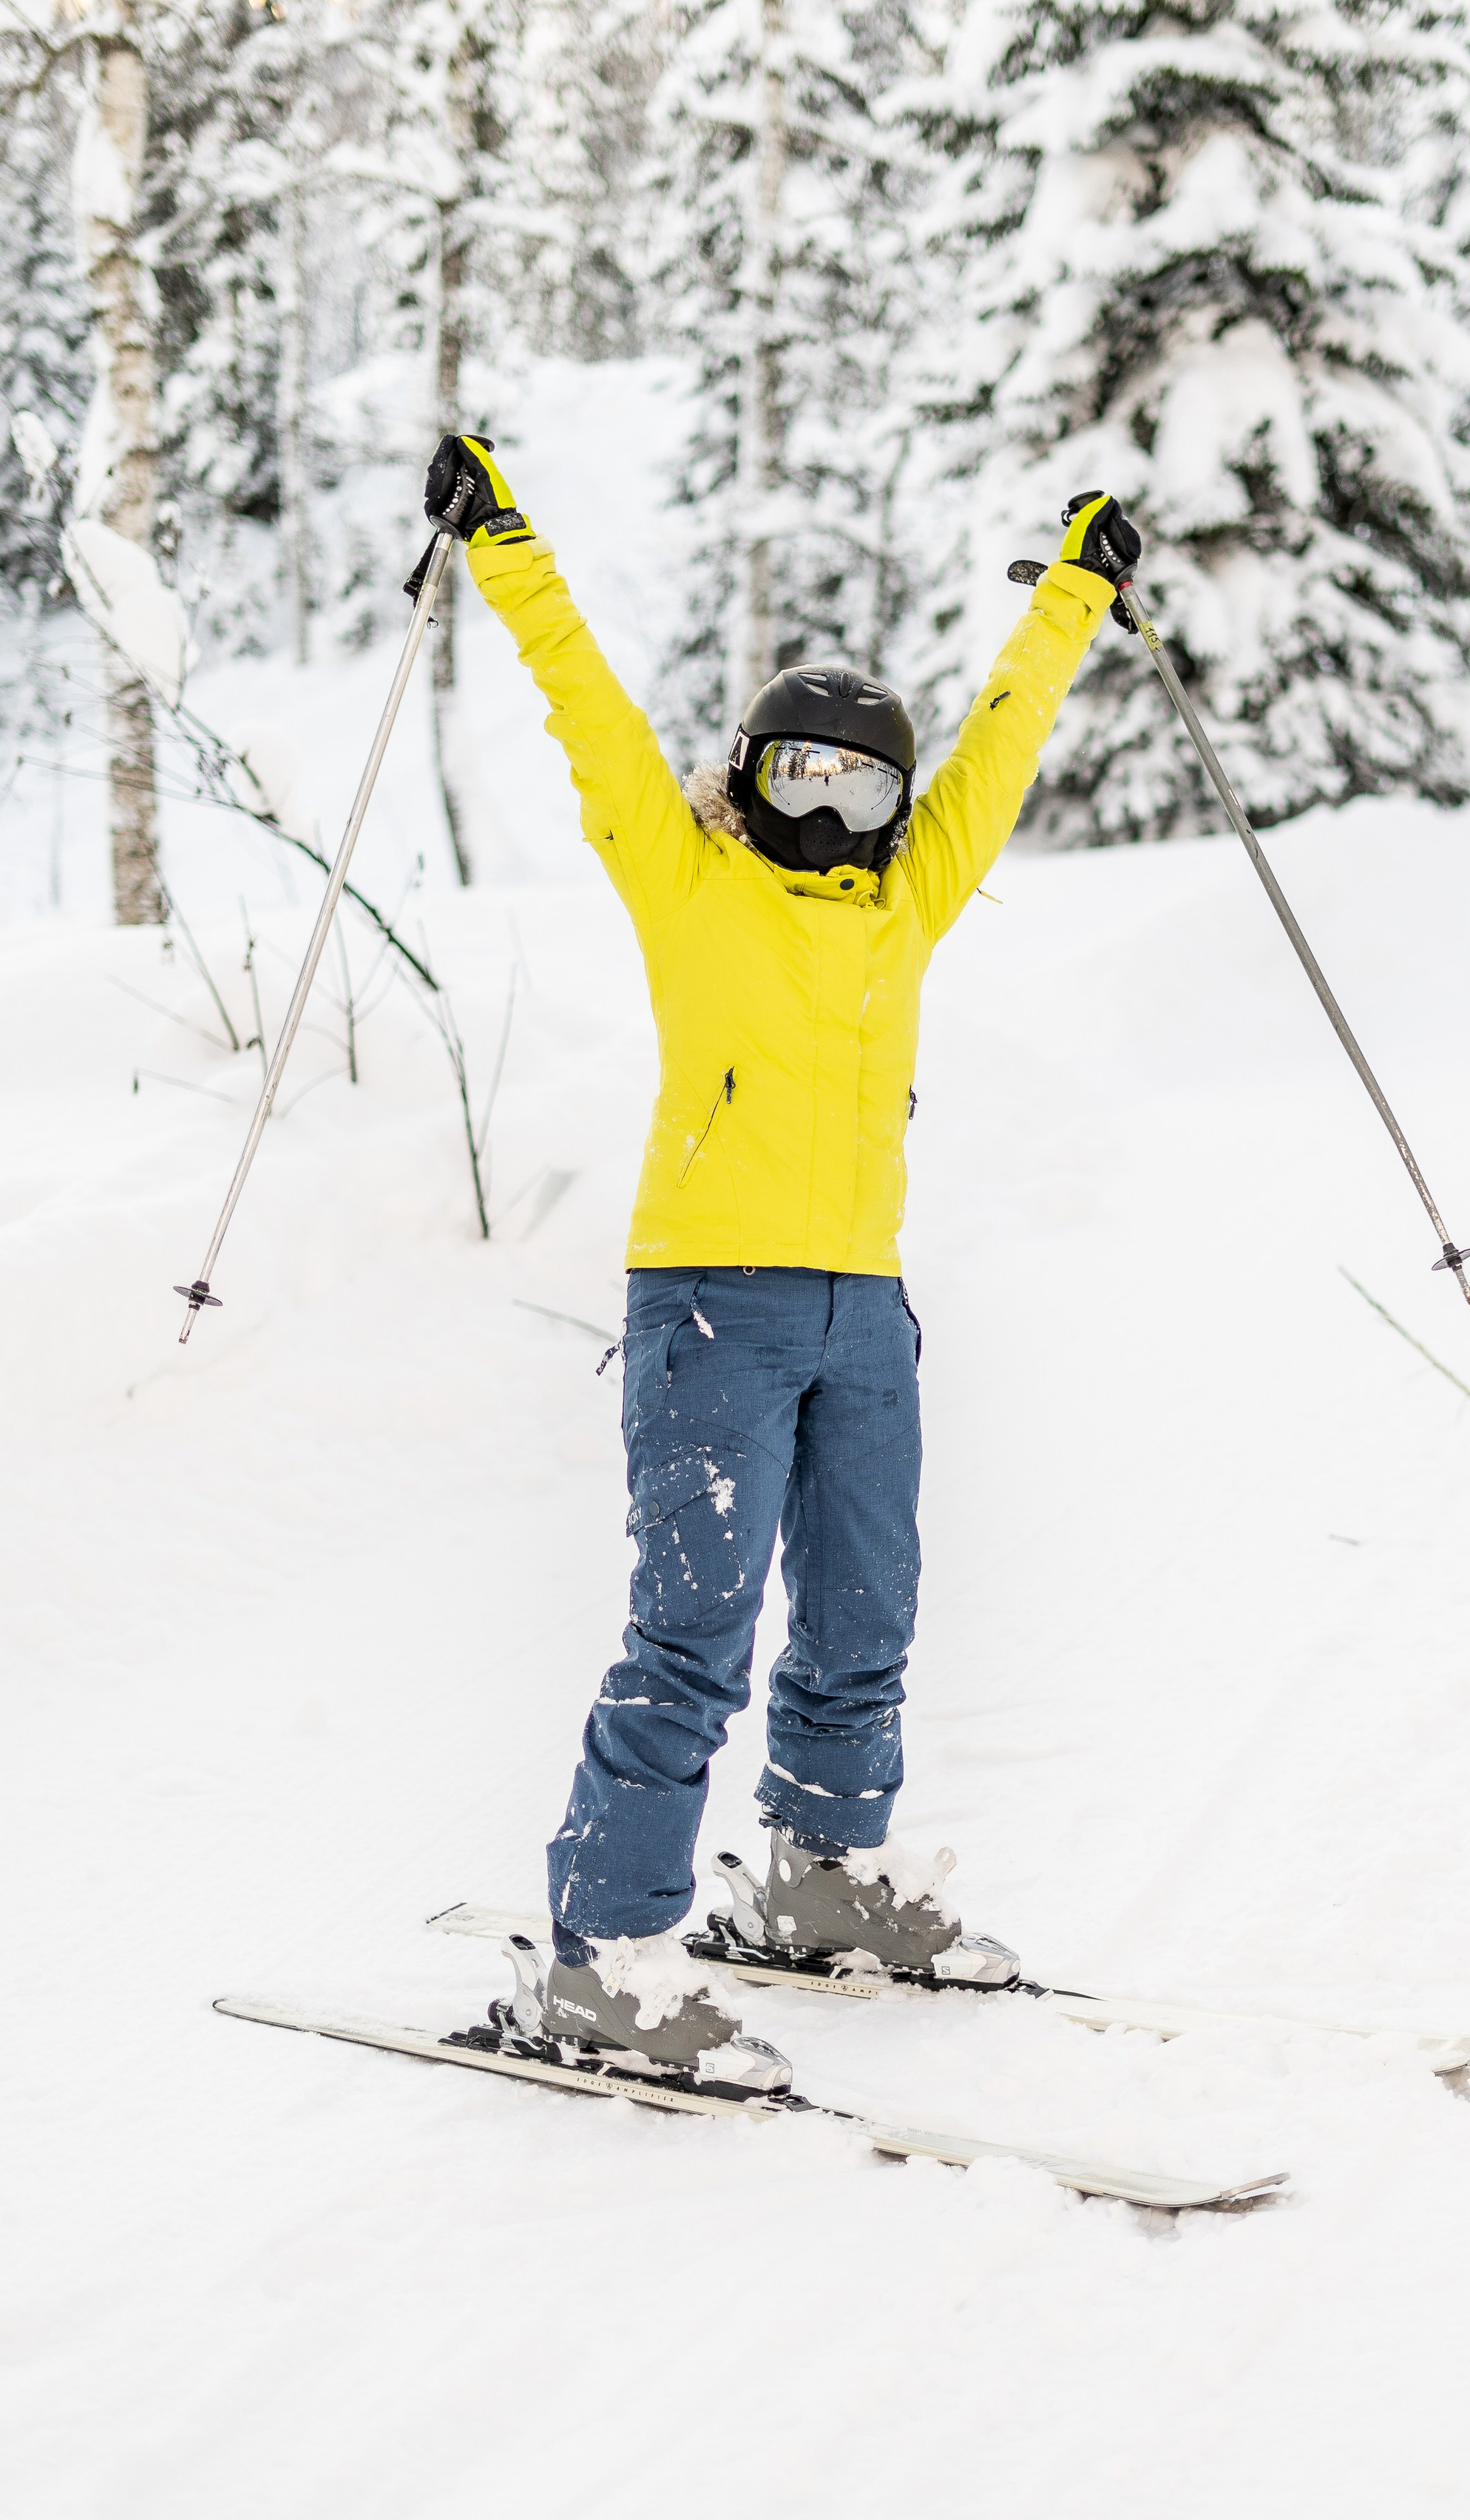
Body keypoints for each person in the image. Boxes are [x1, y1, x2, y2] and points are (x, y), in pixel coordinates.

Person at [427, 433, 1141, 2093]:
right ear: (745, 780)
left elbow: (1002, 743)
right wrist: (506, 546)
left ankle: (818, 1880)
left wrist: (1077, 597)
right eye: (798, 775)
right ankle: (600, 1960)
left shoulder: (907, 907)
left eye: (863, 784)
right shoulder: (689, 889)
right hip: (710, 1304)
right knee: (691, 1635)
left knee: (865, 1613)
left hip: (864, 1310)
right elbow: (594, 715)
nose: (832, 808)